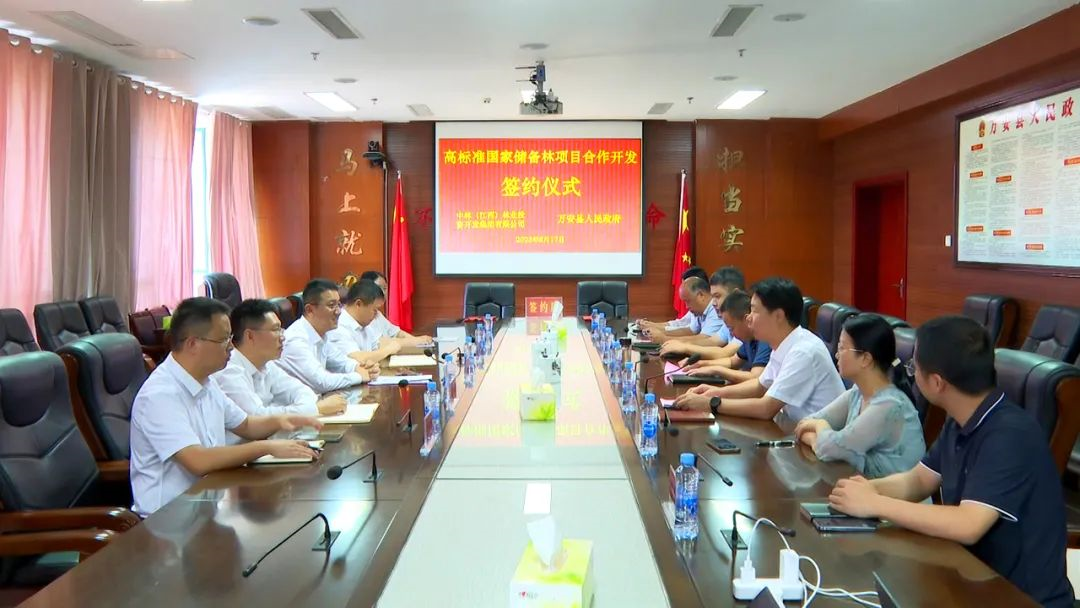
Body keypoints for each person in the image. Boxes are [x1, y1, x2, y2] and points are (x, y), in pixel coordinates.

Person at [828, 316, 1072, 607]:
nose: (911, 373)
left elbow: (968, 524)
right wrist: (869, 489)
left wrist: (875, 504)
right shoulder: (960, 420)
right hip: (971, 580)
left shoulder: (1009, 434)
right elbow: (919, 480)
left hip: (1018, 597)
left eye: (914, 367)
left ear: (936, 383)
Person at [129, 297, 322, 516]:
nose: (231, 346)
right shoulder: (160, 395)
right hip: (168, 519)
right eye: (223, 340)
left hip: (208, 503)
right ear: (193, 344)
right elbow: (198, 460)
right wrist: (267, 447)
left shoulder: (207, 382)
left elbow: (246, 425)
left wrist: (284, 420)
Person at [674, 277, 843, 421]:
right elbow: (759, 386)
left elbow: (766, 408)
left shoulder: (803, 352)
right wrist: (715, 392)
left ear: (778, 316)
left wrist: (712, 403)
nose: (749, 319)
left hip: (819, 443)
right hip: (794, 430)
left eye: (754, 311)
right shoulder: (782, 344)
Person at [793, 314, 924, 478]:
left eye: (842, 348)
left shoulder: (889, 406)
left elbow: (827, 448)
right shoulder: (858, 392)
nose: (837, 355)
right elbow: (805, 424)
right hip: (864, 487)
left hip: (892, 493)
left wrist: (820, 427)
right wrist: (824, 443)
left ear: (865, 359)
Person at [212, 299, 347, 418]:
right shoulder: (229, 371)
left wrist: (304, 408)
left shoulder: (267, 364)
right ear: (250, 336)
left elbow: (302, 391)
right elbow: (256, 418)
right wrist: (315, 409)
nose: (283, 337)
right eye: (276, 329)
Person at [274, 278, 374, 393]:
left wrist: (361, 368)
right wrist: (359, 376)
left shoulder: (322, 334)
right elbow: (321, 382)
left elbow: (341, 361)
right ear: (310, 310)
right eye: (331, 305)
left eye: (339, 305)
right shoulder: (296, 340)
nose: (338, 311)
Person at [681, 290, 771, 385]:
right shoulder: (748, 338)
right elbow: (732, 361)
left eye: (731, 328)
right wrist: (702, 364)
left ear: (746, 320)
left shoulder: (764, 339)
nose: (732, 333)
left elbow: (755, 377)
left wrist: (717, 370)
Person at [660, 266, 745, 357]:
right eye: (713, 297)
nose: (713, 303)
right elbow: (712, 341)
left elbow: (724, 353)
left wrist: (685, 347)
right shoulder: (729, 318)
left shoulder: (745, 320)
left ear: (735, 294)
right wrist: (679, 344)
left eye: (717, 296)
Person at [328, 280, 402, 365]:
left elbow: (376, 349)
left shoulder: (365, 326)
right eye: (374, 310)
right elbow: (357, 359)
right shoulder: (338, 326)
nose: (376, 315)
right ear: (358, 304)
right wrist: (388, 350)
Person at [357, 270, 432, 347]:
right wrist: (415, 341)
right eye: (379, 288)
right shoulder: (363, 316)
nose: (383, 292)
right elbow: (380, 342)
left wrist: (417, 340)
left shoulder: (378, 314)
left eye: (385, 288)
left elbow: (397, 333)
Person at [646, 277, 726, 346]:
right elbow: (691, 331)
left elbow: (705, 339)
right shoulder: (699, 310)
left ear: (701, 295)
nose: (687, 307)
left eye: (688, 301)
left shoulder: (716, 309)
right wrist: (661, 333)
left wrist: (665, 339)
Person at [636, 266, 709, 333]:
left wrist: (660, 333)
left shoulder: (711, 308)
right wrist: (651, 325)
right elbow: (681, 324)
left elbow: (696, 334)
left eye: (686, 285)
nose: (686, 306)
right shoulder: (697, 308)